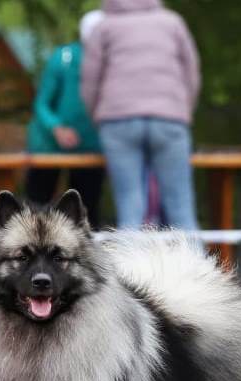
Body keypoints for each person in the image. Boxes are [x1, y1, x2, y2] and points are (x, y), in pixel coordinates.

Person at [82, 0, 201, 230]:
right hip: (169, 118)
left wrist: (97, 115)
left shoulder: (104, 27)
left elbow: (89, 81)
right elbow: (192, 72)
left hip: (118, 121)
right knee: (181, 208)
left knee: (130, 208)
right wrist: (183, 109)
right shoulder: (172, 22)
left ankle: (129, 266)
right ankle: (198, 266)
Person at [25, 10, 106, 227]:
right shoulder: (63, 58)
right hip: (48, 146)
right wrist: (57, 128)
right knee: (36, 208)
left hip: (90, 148)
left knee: (86, 212)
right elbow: (42, 104)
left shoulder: (111, 61)